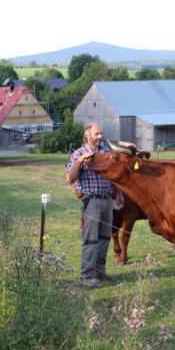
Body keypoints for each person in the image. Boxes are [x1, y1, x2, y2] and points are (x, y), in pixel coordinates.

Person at [65, 122, 115, 288]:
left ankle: (100, 272)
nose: (100, 137)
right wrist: (80, 162)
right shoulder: (78, 153)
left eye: (101, 134)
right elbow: (70, 178)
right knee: (90, 239)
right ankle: (86, 276)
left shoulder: (107, 152)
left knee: (105, 238)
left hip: (108, 199)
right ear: (88, 136)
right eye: (97, 134)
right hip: (91, 200)